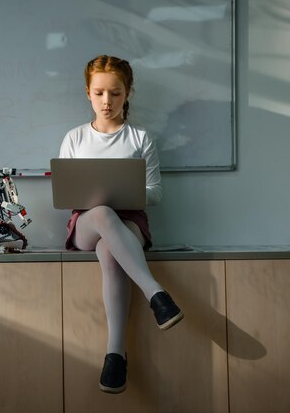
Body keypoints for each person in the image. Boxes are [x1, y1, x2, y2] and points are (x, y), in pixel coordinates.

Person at [58, 55, 184, 394]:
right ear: (88, 93)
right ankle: (155, 294)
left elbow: (155, 194)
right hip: (85, 222)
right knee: (100, 213)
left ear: (127, 93)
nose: (107, 101)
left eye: (115, 93)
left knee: (110, 251)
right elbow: (66, 193)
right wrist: (101, 200)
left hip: (130, 223)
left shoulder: (140, 138)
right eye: (99, 93)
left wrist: (121, 196)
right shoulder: (74, 138)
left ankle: (115, 355)